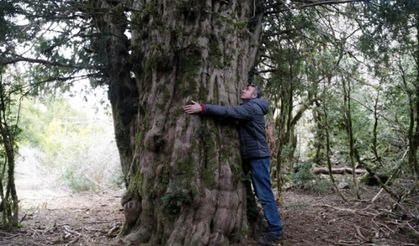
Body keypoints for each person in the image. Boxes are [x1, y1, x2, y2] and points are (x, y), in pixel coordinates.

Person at [183, 84, 283, 245]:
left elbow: (229, 112)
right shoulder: (250, 106)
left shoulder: (252, 107)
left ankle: (275, 230)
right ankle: (274, 227)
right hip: (251, 155)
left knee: (264, 194)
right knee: (260, 192)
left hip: (257, 156)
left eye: (248, 89)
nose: (243, 90)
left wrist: (202, 107)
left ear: (254, 96)